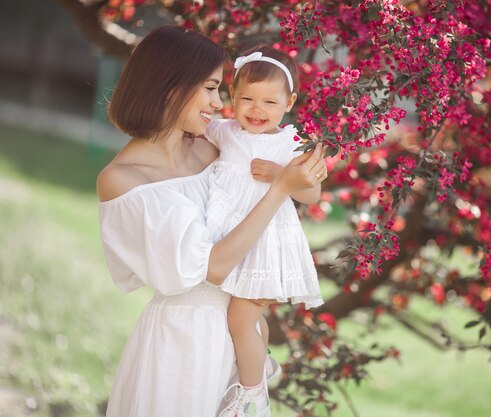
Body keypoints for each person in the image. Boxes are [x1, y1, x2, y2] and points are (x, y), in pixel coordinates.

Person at [96, 25, 327, 417]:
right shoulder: (123, 180)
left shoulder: (216, 148)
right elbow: (214, 268)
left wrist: (305, 174)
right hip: (182, 342)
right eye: (209, 88)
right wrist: (279, 189)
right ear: (171, 86)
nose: (220, 104)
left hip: (241, 334)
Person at [203, 45, 323, 417]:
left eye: (269, 102)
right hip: (233, 240)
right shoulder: (223, 132)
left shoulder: (289, 144)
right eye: (247, 99)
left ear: (289, 102)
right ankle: (263, 362)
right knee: (249, 318)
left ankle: (252, 396)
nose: (257, 110)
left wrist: (279, 175)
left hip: (267, 243)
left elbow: (312, 193)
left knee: (240, 318)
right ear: (232, 98)